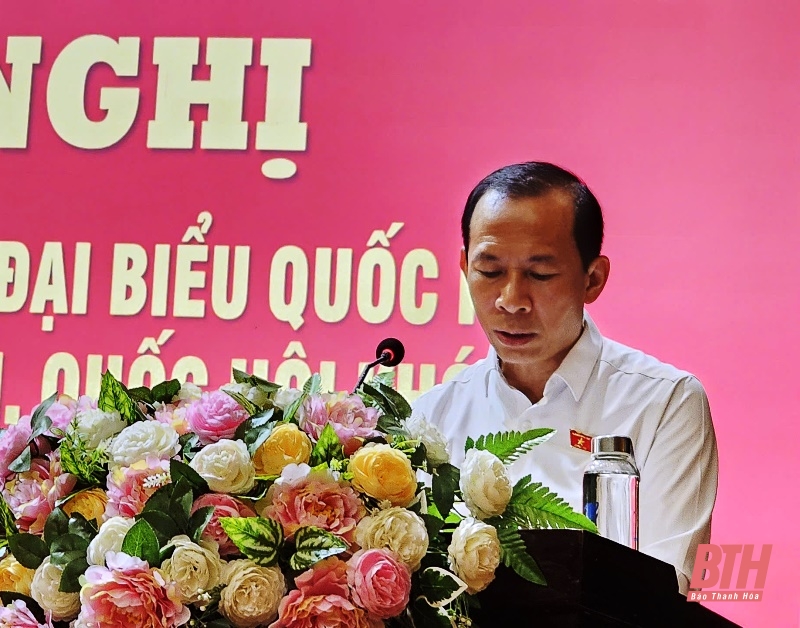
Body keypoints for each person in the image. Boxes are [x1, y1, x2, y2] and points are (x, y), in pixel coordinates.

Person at [413, 161, 718, 594]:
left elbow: (663, 595)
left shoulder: (665, 403)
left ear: (592, 279)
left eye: (540, 274)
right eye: (490, 270)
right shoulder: (433, 416)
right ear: (464, 267)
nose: (511, 300)